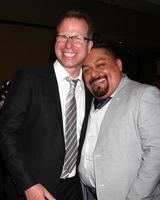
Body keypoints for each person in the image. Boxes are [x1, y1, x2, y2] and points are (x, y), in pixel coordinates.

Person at [0, 10, 93, 200]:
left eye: (76, 37)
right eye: (63, 36)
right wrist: (28, 184)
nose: (68, 44)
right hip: (31, 189)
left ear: (89, 45)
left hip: (73, 190)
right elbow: (5, 132)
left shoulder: (91, 89)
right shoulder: (29, 79)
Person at [79, 42, 160, 200]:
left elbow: (156, 154)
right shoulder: (87, 102)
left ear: (119, 64)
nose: (93, 74)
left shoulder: (144, 94)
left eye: (100, 64)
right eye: (86, 70)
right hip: (87, 193)